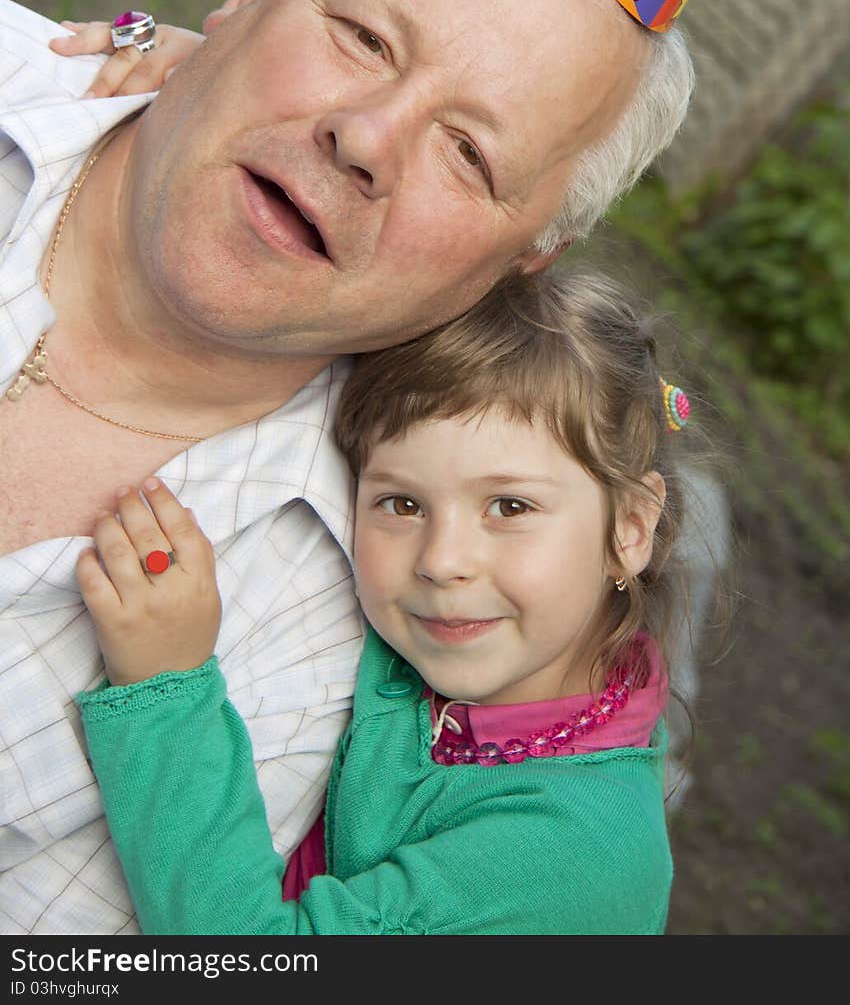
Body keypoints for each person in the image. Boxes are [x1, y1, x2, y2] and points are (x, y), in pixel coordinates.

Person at [0, 0, 691, 934]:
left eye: (470, 154)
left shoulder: (333, 634)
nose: (366, 137)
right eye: (363, 38)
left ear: (520, 259)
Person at [76, 266, 689, 936]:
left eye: (510, 506)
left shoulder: (575, 861)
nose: (440, 561)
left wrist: (166, 687)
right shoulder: (460, 658)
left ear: (630, 526)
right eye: (402, 503)